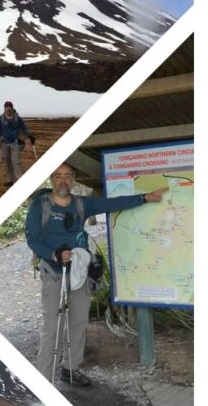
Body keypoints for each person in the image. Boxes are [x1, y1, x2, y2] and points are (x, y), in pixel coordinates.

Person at [25, 164, 165, 386]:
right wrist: (54, 254)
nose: (63, 181)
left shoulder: (81, 204)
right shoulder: (39, 207)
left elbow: (111, 204)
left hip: (80, 273)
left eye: (67, 176)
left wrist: (144, 198)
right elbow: (32, 239)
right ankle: (43, 381)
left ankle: (70, 368)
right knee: (53, 326)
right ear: (52, 180)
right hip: (53, 273)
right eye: (58, 176)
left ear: (73, 180)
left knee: (79, 321)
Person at [0, 100, 36, 186]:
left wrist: (30, 136)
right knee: (6, 161)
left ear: (12, 108)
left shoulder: (17, 119)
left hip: (15, 143)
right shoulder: (0, 119)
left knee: (16, 161)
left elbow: (24, 129)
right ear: (4, 108)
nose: (8, 109)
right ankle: (9, 180)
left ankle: (19, 180)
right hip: (4, 143)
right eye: (7, 107)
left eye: (10, 107)